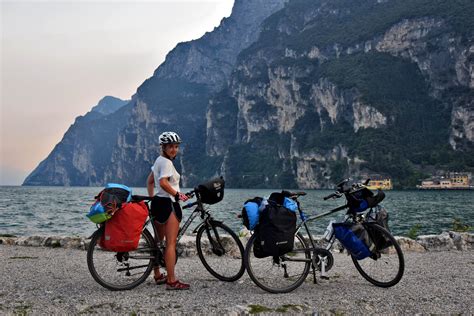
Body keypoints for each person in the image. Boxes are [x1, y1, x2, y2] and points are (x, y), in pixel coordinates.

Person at [146, 131, 190, 290]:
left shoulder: (158, 161)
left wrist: (152, 198)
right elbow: (163, 182)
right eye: (170, 146)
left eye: (176, 146)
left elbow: (150, 181)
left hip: (158, 203)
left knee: (157, 242)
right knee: (170, 243)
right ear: (163, 147)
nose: (174, 150)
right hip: (169, 204)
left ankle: (157, 274)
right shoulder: (166, 163)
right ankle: (172, 281)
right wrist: (178, 195)